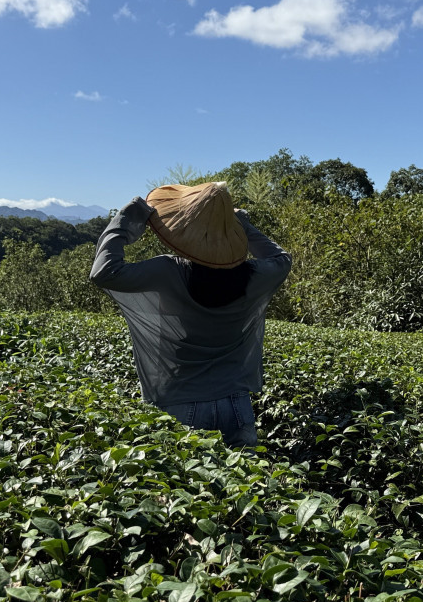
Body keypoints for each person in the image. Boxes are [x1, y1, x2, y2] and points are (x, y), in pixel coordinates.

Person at [89, 182, 291, 449]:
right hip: (236, 404)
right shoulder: (253, 276)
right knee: (243, 486)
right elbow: (282, 259)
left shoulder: (168, 272)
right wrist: (244, 226)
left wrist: (126, 218)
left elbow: (104, 272)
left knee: (186, 485)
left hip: (181, 402)